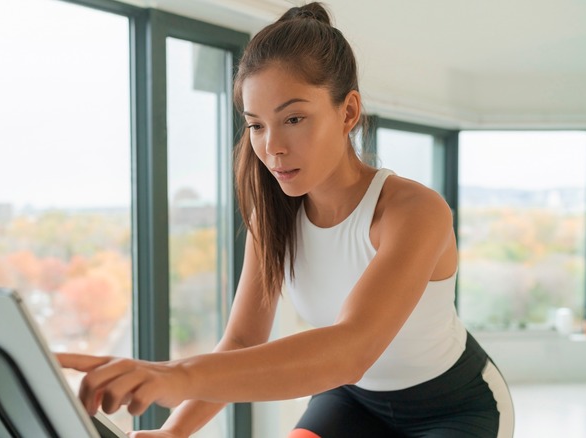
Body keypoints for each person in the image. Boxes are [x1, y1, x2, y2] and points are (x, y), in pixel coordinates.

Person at [58, 2, 515, 437]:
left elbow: (352, 348)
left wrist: (178, 376)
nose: (272, 146)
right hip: (352, 401)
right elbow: (242, 341)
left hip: (454, 406)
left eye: (293, 118)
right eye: (256, 124)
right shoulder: (273, 215)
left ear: (348, 112)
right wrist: (175, 429)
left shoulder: (414, 211)